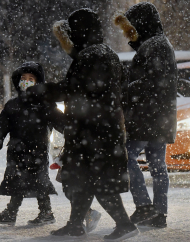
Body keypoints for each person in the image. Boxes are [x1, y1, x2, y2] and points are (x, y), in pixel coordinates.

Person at [27, 8, 139, 241]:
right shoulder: (105, 53)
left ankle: (125, 225)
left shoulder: (90, 56)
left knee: (96, 182)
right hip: (101, 130)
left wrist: (41, 91)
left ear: (81, 31)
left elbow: (72, 89)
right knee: (84, 181)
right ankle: (76, 225)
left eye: (74, 31)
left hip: (94, 133)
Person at [114, 2, 178, 228]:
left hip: (146, 116)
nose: (130, 32)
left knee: (126, 156)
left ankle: (143, 206)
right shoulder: (160, 44)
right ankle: (159, 214)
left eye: (132, 26)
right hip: (161, 116)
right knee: (158, 166)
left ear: (141, 23)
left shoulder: (153, 46)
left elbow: (148, 83)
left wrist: (124, 91)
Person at [0, 61, 65, 226]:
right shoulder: (13, 105)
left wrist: (75, 132)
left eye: (31, 78)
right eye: (23, 78)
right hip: (16, 150)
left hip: (38, 149)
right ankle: (11, 213)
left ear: (38, 83)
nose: (26, 81)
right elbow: (2, 124)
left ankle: (45, 212)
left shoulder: (44, 104)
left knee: (39, 181)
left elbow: (61, 121)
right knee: (17, 181)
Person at [50, 149, 102, 233]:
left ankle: (77, 223)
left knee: (76, 189)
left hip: (79, 157)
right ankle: (82, 218)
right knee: (69, 190)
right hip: (73, 156)